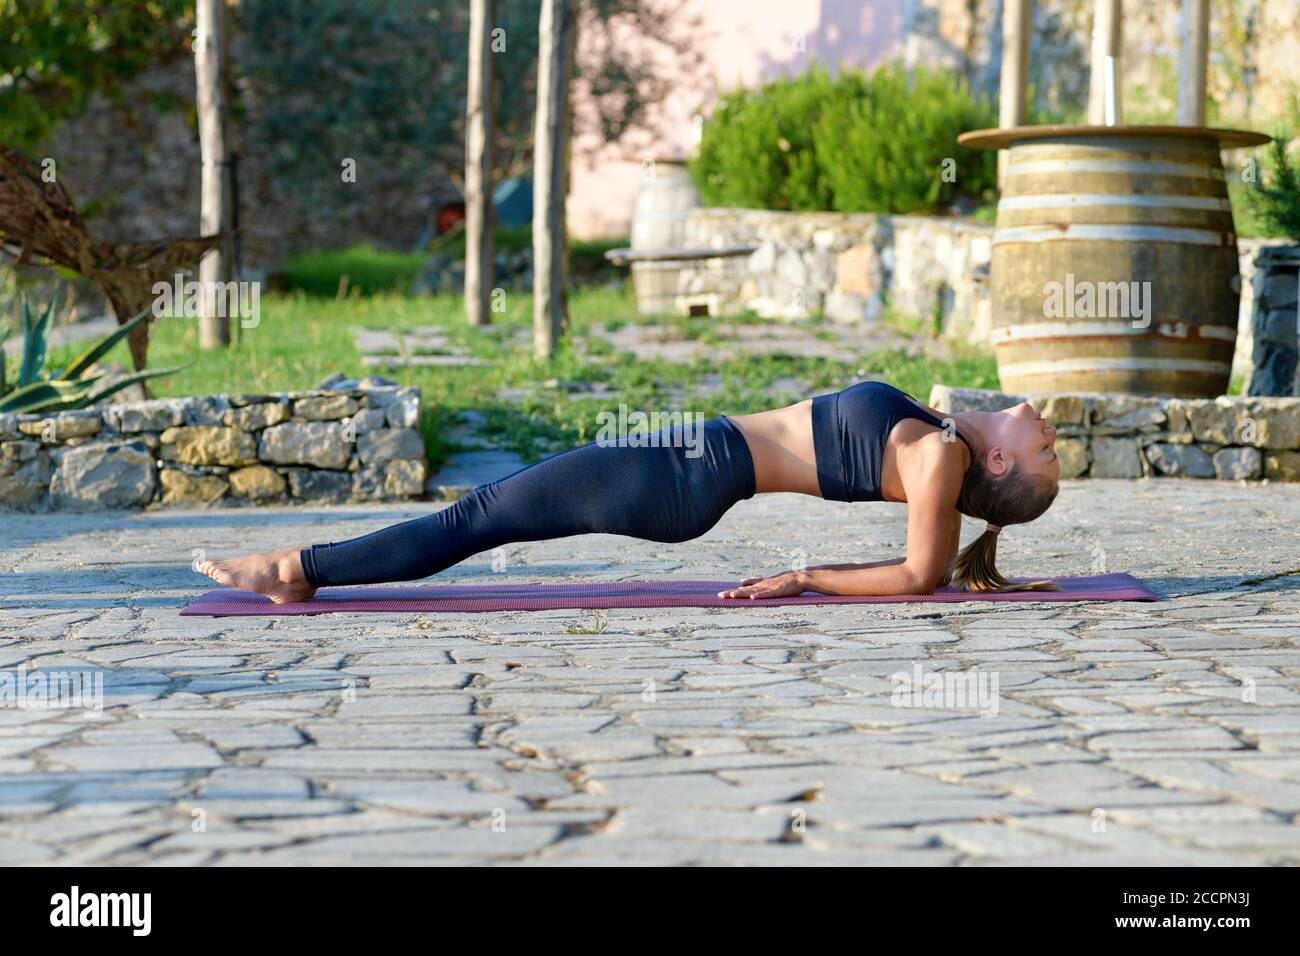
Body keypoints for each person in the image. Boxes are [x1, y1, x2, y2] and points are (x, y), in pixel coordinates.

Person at [196, 381, 1061, 604]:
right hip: (692, 462)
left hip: (685, 475)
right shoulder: (945, 436)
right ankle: (305, 568)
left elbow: (919, 574)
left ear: (997, 469)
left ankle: (296, 566)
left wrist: (805, 577)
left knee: (481, 515)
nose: (1043, 423)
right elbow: (935, 562)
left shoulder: (942, 460)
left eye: (1046, 447)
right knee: (486, 516)